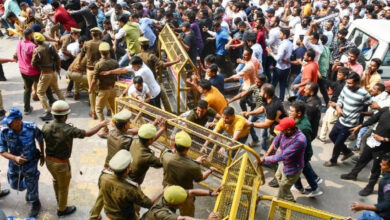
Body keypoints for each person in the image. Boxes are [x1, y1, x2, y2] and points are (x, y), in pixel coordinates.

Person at [42, 100, 108, 216]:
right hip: (61, 164)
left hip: (49, 162)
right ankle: (62, 209)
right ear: (65, 116)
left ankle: (59, 200)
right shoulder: (68, 130)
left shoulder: (45, 126)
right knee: (63, 187)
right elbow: (87, 133)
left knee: (56, 181)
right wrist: (101, 124)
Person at [89, 109, 140, 220]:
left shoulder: (111, 133)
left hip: (107, 169)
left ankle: (93, 216)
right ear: (125, 125)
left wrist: (142, 129)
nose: (130, 124)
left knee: (102, 195)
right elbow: (141, 139)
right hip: (119, 171)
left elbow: (130, 132)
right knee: (133, 197)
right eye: (129, 122)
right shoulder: (127, 140)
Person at [0, 108, 44, 217]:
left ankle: (35, 203)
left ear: (19, 120)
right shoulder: (5, 131)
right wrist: (15, 158)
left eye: (11, 122)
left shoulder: (31, 128)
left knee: (31, 182)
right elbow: (2, 151)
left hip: (30, 163)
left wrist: (43, 154)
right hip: (14, 164)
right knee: (14, 185)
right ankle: (31, 185)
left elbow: (40, 139)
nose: (8, 124)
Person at [161, 131, 217, 217]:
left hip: (168, 192)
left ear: (175, 146)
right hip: (185, 195)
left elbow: (175, 159)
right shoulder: (193, 167)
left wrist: (195, 162)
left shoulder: (166, 156)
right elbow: (200, 178)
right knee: (187, 215)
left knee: (166, 214)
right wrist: (210, 170)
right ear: (188, 148)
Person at [341, 102, 390, 196]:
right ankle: (353, 174)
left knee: (376, 168)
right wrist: (359, 126)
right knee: (362, 159)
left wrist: (383, 139)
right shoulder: (385, 110)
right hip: (372, 142)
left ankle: (370, 187)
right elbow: (373, 119)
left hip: (383, 148)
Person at [324, 73, 372, 167]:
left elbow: (372, 106)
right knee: (332, 136)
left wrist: (364, 113)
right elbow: (341, 99)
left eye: (350, 83)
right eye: (347, 82)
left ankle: (333, 160)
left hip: (350, 124)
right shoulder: (346, 87)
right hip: (341, 119)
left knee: (338, 142)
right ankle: (347, 152)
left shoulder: (364, 94)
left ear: (357, 83)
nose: (348, 85)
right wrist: (338, 107)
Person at [98, 150, 159, 219]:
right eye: (129, 166)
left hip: (109, 214)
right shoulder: (130, 188)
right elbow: (148, 203)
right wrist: (163, 190)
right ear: (127, 169)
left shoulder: (103, 177)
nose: (130, 168)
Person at [259, 117, 307, 202]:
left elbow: (283, 156)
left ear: (289, 130)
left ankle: (287, 207)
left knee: (281, 194)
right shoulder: (284, 132)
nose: (281, 132)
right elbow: (275, 142)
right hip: (284, 163)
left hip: (292, 168)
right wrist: (266, 154)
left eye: (282, 130)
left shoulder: (300, 140)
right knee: (278, 177)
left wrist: (265, 159)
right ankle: (287, 192)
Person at [15, 28, 55, 114]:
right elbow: (37, 59)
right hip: (33, 71)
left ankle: (26, 109)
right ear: (29, 36)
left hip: (23, 70)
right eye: (32, 35)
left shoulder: (18, 43)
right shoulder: (31, 46)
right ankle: (51, 100)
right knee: (45, 85)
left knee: (27, 89)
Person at [289, 101, 323, 197]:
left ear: (299, 113)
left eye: (291, 111)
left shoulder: (303, 128)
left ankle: (305, 187)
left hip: (301, 154)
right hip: (301, 154)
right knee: (305, 169)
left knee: (298, 169)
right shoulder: (299, 120)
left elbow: (305, 144)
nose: (289, 112)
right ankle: (309, 186)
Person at [31, 32, 65, 121]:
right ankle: (64, 106)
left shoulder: (37, 50)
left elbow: (33, 64)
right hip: (53, 72)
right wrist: (58, 69)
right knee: (57, 89)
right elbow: (57, 58)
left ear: (36, 41)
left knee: (40, 92)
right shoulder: (50, 46)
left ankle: (47, 112)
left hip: (45, 73)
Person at [89, 42, 119, 138]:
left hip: (103, 90)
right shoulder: (115, 62)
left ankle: (105, 130)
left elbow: (94, 80)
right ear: (109, 52)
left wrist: (90, 88)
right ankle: (119, 128)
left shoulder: (98, 65)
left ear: (100, 53)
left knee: (98, 109)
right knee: (115, 109)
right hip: (113, 89)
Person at [228, 74, 266, 147]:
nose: (256, 83)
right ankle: (255, 140)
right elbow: (242, 94)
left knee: (263, 132)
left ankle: (264, 150)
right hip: (255, 110)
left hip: (264, 112)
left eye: (259, 82)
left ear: (264, 82)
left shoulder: (267, 89)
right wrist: (231, 100)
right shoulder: (254, 87)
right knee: (248, 125)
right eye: (256, 81)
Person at [350, 152, 390, 220]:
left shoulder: (387, 183)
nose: (380, 164)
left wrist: (363, 207)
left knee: (368, 214)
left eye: (383, 165)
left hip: (382, 216)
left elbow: (387, 204)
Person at [143, 185, 219, 220]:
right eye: (181, 203)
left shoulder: (171, 193)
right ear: (172, 204)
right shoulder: (160, 212)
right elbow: (183, 218)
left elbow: (192, 192)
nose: (183, 204)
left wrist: (211, 193)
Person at [318, 67, 348, 142]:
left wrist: (336, 104)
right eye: (338, 74)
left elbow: (346, 99)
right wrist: (321, 78)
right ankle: (322, 137)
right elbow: (330, 83)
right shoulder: (338, 83)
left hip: (336, 107)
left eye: (340, 74)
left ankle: (337, 142)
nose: (338, 75)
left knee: (331, 123)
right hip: (332, 105)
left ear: (345, 76)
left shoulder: (345, 86)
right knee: (325, 120)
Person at [79, 27, 103, 119]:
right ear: (99, 34)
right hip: (101, 69)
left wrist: (79, 63)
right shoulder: (103, 43)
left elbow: (81, 56)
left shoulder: (87, 43)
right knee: (102, 89)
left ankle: (93, 111)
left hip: (90, 69)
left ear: (91, 34)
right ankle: (108, 109)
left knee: (91, 90)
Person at [266, 28, 292, 101]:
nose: (279, 35)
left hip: (280, 68)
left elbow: (277, 58)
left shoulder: (283, 44)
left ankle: (269, 97)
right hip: (287, 68)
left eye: (280, 33)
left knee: (273, 84)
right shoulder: (289, 43)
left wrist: (271, 53)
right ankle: (281, 99)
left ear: (284, 35)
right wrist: (278, 49)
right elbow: (286, 52)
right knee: (282, 84)